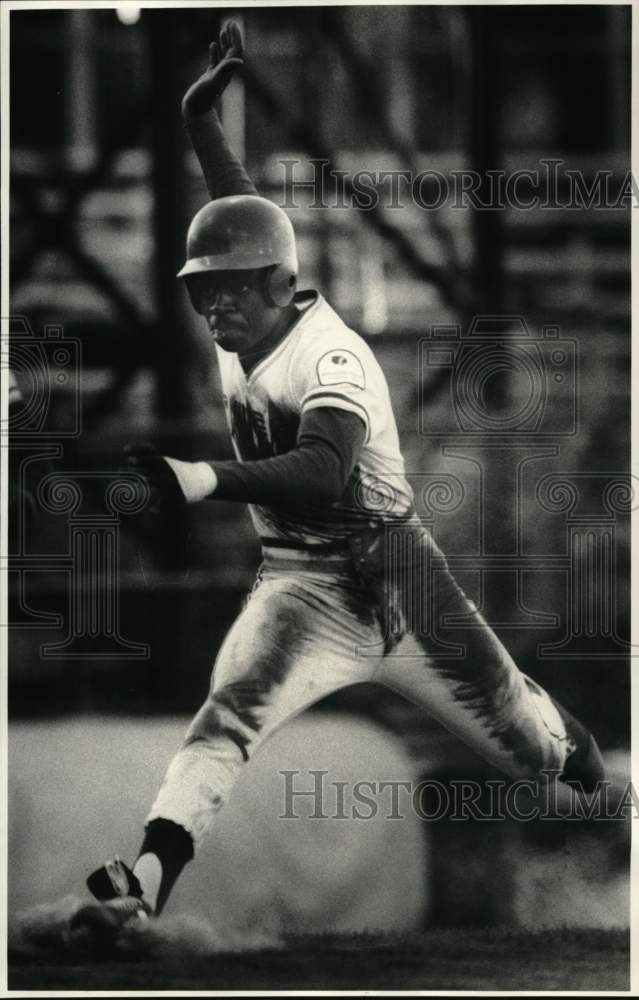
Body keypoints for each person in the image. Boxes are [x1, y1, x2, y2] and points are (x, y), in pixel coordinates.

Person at [71, 21, 605, 942]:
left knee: (537, 758)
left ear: (281, 287)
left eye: (230, 290)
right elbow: (242, 216)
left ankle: (603, 773)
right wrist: (203, 123)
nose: (214, 305)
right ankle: (140, 887)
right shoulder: (253, 302)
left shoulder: (333, 360)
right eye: (203, 292)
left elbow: (323, 473)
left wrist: (200, 476)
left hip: (397, 582)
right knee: (223, 719)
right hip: (300, 588)